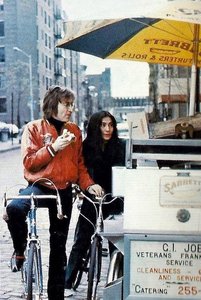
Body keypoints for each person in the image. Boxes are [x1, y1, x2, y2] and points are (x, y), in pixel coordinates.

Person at [5, 86, 103, 300]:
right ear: (53, 104)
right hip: (39, 185)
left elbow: (79, 166)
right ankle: (20, 249)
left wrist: (89, 185)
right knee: (13, 208)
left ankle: (55, 297)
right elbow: (29, 163)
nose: (71, 109)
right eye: (66, 104)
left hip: (64, 191)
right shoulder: (33, 128)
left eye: (71, 105)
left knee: (59, 248)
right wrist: (53, 148)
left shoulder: (75, 131)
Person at [65, 111, 125, 291]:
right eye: (103, 125)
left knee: (116, 243)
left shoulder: (120, 146)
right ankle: (67, 282)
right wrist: (86, 189)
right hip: (92, 199)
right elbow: (81, 172)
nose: (108, 129)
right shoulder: (86, 147)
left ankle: (117, 285)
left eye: (111, 125)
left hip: (114, 199)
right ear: (95, 127)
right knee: (81, 240)